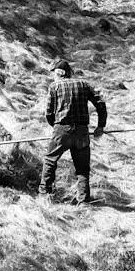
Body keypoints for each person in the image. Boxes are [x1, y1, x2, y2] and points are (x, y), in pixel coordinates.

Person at [40, 59, 107, 203]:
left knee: (50, 161)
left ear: (60, 73)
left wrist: (57, 129)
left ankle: (44, 195)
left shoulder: (54, 87)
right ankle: (83, 200)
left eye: (55, 74)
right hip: (82, 132)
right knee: (82, 168)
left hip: (61, 130)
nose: (54, 77)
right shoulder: (84, 84)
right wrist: (100, 126)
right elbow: (100, 103)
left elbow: (48, 113)